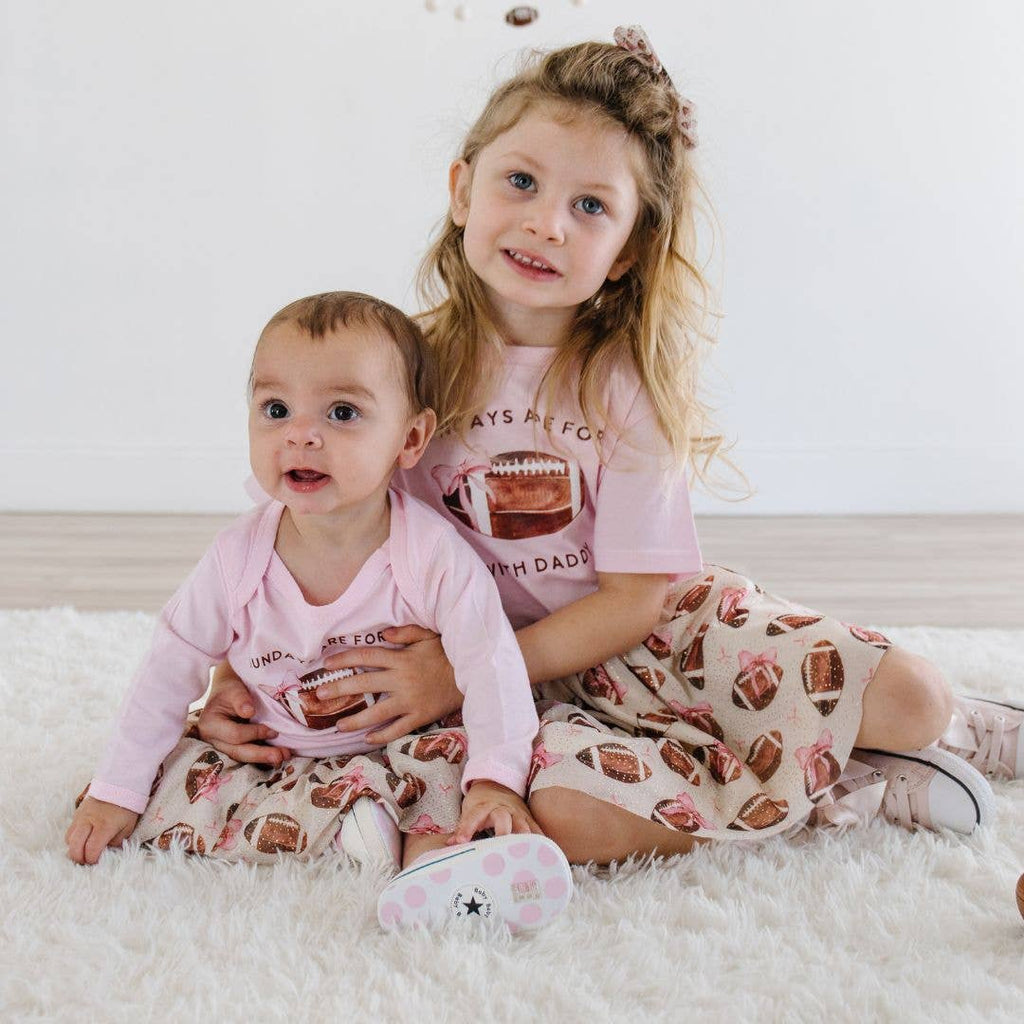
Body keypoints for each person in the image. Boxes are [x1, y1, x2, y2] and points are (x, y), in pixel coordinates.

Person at [198, 28, 1022, 865]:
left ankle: (945, 730)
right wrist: (243, 671)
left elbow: (637, 598)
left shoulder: (623, 381)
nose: (546, 224)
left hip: (641, 638)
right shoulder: (390, 370)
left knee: (913, 695)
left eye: (589, 206)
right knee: (560, 819)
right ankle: (844, 788)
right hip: (487, 676)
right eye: (520, 181)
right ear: (461, 189)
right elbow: (307, 531)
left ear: (626, 249)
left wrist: (468, 670)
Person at [65, 291, 573, 931]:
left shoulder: (431, 555)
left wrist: (496, 780)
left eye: (341, 413)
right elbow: (170, 667)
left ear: (410, 438)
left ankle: (439, 865)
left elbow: (489, 663)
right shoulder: (236, 559)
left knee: (455, 769)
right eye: (275, 410)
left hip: (405, 739)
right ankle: (351, 826)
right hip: (281, 749)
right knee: (175, 787)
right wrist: (117, 791)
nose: (301, 434)